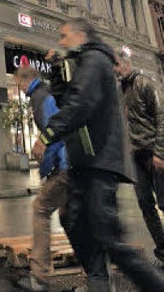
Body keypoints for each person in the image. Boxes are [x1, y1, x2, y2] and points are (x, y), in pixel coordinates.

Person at [32, 18, 164, 292]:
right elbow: (67, 102)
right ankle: (98, 283)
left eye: (64, 35)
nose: (61, 41)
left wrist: (46, 137)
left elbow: (80, 106)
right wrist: (57, 72)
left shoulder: (94, 60)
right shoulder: (84, 63)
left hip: (99, 162)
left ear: (80, 35)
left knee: (110, 241)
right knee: (72, 220)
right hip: (87, 162)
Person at [13, 65, 68, 292]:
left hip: (65, 166)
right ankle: (96, 275)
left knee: (41, 209)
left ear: (27, 80)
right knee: (71, 218)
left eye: (19, 83)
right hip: (72, 166)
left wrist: (46, 169)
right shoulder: (44, 94)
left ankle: (39, 277)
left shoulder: (40, 97)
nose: (19, 88)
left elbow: (53, 133)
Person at [114, 46, 164, 262]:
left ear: (126, 63)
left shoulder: (145, 84)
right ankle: (162, 247)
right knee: (145, 203)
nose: (114, 70)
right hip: (136, 155)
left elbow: (162, 118)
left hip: (154, 152)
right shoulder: (120, 90)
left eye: (116, 65)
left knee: (163, 202)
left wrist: (160, 153)